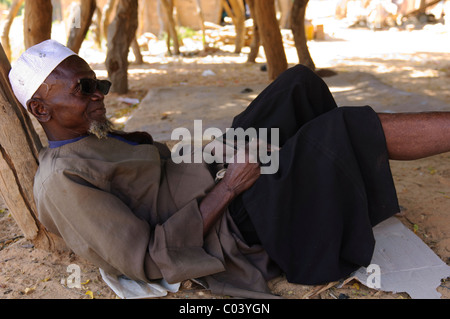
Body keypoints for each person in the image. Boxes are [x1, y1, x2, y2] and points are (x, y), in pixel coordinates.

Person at [8, 40, 450, 298]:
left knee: (298, 86)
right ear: (41, 107)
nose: (98, 95)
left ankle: (327, 197)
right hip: (223, 226)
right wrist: (230, 187)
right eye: (84, 88)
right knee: (342, 129)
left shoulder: (91, 135)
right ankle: (312, 189)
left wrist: (215, 155)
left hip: (210, 176)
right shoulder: (61, 182)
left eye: (98, 85)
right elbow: (145, 260)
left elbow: (160, 169)